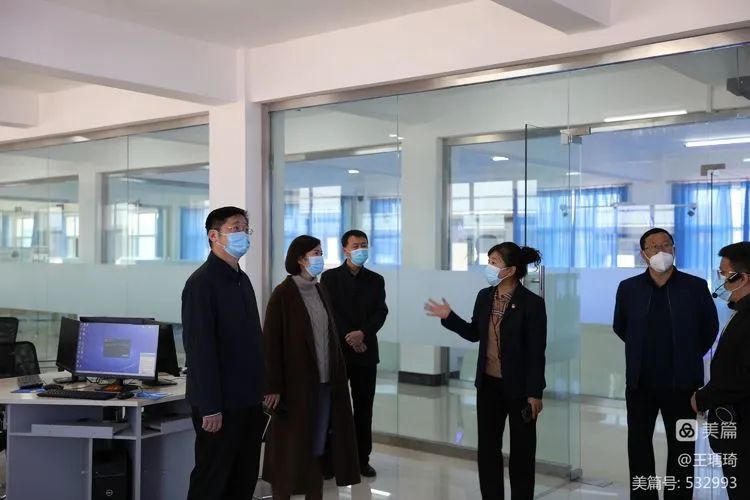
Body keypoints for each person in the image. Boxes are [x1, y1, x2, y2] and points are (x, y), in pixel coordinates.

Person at [424, 242, 546, 500]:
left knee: (522, 452)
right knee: (488, 450)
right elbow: (473, 333)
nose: (488, 267)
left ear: (510, 270)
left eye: (494, 262)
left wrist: (535, 392)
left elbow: (537, 352)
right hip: (489, 385)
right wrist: (449, 317)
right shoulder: (485, 296)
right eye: (489, 261)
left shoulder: (532, 304)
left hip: (520, 389)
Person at [613, 228, 719, 500]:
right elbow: (621, 326)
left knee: (682, 448)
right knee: (639, 447)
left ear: (674, 249)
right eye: (654, 246)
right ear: (643, 254)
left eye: (666, 245)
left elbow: (709, 328)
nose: (661, 251)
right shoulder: (629, 288)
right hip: (640, 384)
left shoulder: (695, 287)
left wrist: (688, 354)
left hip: (683, 385)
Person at [262, 235, 361, 499]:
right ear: (300, 259)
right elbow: (271, 342)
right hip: (296, 385)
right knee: (290, 449)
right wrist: (272, 385)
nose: (320, 258)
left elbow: (328, 335)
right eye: (315, 253)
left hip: (326, 383)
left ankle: (314, 494)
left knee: (317, 447)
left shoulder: (320, 290)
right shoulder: (283, 294)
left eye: (320, 252)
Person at [181, 206, 264, 500]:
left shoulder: (242, 279)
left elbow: (253, 341)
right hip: (220, 404)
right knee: (213, 478)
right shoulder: (201, 283)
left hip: (248, 399)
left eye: (245, 228)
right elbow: (200, 349)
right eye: (235, 228)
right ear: (214, 236)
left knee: (244, 476)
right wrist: (210, 406)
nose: (243, 234)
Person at [320, 229, 388, 478]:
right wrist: (350, 337)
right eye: (356, 245)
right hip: (339, 352)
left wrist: (363, 334)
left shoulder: (376, 280)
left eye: (364, 245)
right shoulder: (330, 278)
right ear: (345, 250)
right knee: (335, 408)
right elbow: (329, 312)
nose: (361, 250)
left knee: (364, 408)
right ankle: (330, 461)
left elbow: (380, 312)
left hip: (366, 352)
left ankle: (361, 459)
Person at [692, 242, 750, 499]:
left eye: (724, 273)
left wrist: (703, 397)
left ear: (742, 278)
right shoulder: (740, 311)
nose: (721, 280)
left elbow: (742, 376)